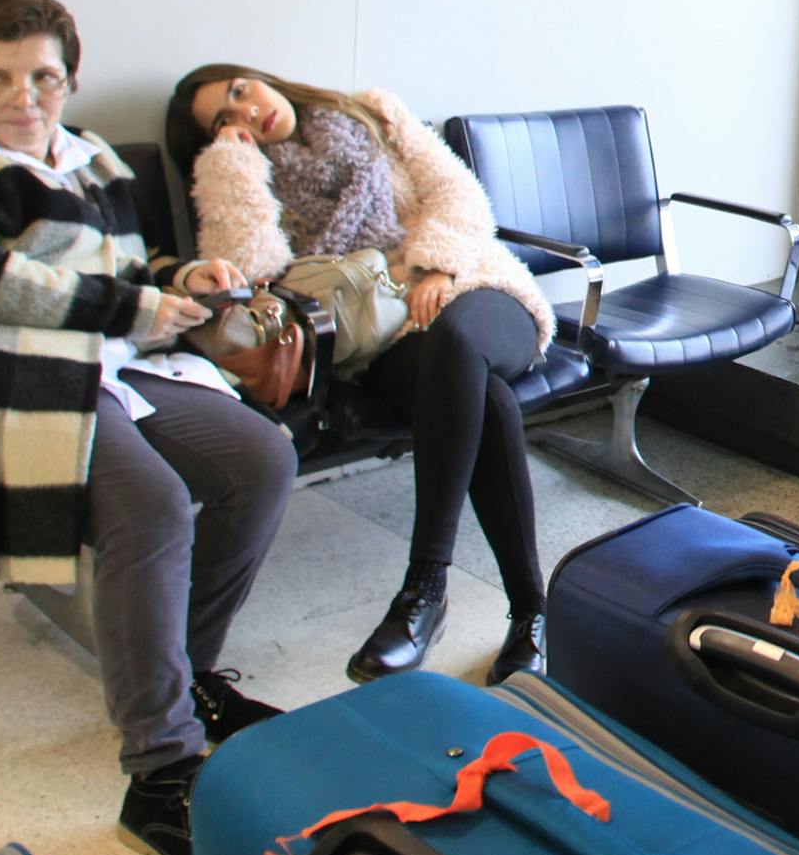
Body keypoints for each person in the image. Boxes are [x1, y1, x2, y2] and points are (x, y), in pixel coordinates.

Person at [0, 0, 295, 855]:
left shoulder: (88, 158)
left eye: (44, 76)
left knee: (261, 457)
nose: (24, 96)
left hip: (106, 360)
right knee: (153, 506)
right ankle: (161, 771)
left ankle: (182, 673)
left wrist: (181, 273)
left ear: (69, 76)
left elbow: (123, 267)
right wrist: (136, 301)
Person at [165, 65, 554, 690]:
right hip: (383, 331)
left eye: (241, 92)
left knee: (459, 343)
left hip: (477, 285)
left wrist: (437, 266)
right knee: (484, 397)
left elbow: (457, 191)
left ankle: (423, 590)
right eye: (223, 121)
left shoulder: (374, 113)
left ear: (261, 78)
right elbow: (254, 276)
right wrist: (231, 171)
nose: (247, 113)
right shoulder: (251, 175)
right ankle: (533, 613)